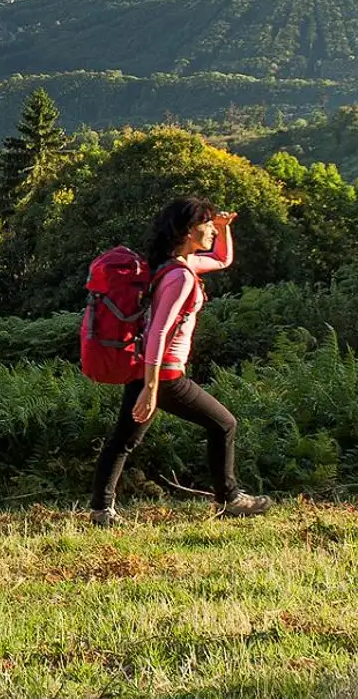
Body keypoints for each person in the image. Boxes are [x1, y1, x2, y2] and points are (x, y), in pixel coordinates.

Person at [91, 199, 271, 526]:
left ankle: (101, 510)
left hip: (147, 367)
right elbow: (159, 330)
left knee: (125, 439)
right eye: (206, 225)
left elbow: (223, 259)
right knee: (224, 424)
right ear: (189, 231)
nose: (211, 231)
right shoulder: (181, 278)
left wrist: (224, 227)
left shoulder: (176, 265)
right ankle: (229, 498)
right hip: (165, 372)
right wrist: (152, 386)